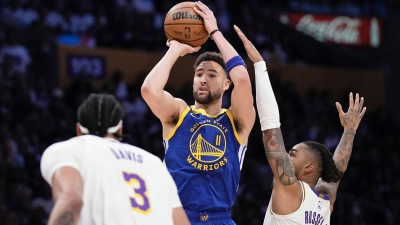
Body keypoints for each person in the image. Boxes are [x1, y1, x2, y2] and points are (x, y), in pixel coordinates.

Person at [233, 26, 366, 225]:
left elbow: (271, 132)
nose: (287, 155)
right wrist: (350, 130)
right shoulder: (325, 199)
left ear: (309, 167)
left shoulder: (291, 189)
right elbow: (339, 165)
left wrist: (260, 66)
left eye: (293, 154)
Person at [141, 2, 255, 224]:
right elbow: (149, 90)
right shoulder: (179, 113)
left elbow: (242, 78)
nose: (203, 78)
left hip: (219, 219)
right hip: (174, 216)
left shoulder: (237, 121)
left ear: (226, 85)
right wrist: (175, 49)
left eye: (212, 75)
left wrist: (214, 32)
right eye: (199, 74)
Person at [40, 94, 190, 225]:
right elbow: (180, 221)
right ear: (120, 129)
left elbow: (71, 200)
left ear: (79, 129)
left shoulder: (67, 149)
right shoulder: (154, 163)